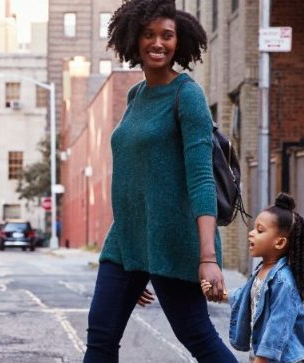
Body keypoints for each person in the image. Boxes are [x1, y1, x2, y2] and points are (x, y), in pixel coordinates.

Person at [82, 0, 235, 361]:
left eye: (167, 36)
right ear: (134, 39)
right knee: (100, 336)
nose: (158, 43)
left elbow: (200, 178)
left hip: (173, 240)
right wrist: (140, 260)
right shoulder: (136, 95)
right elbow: (133, 178)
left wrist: (208, 258)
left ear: (178, 42)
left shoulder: (188, 94)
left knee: (196, 336)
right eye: (149, 35)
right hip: (127, 242)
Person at [223, 193, 304, 363]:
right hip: (265, 356)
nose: (251, 233)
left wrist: (261, 359)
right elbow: (246, 294)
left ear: (279, 243)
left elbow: (278, 326)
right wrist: (222, 294)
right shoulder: (261, 270)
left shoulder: (283, 281)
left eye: (260, 230)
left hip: (284, 358)